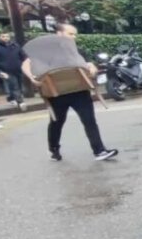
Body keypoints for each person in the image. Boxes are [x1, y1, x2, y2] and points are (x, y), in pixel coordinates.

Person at [22, 24, 117, 161]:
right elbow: (26, 63)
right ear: (59, 34)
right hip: (56, 93)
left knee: (89, 121)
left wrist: (92, 69)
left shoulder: (77, 50)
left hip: (79, 90)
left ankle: (99, 151)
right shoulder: (46, 51)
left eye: (74, 34)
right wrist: (32, 77)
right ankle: (54, 149)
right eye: (70, 34)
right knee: (57, 123)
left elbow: (89, 64)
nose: (74, 37)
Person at [0, 32, 28, 111]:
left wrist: (24, 63)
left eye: (7, 36)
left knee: (20, 84)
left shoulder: (15, 45)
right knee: (14, 85)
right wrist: (0, 67)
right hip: (6, 70)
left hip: (18, 68)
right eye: (3, 36)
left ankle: (11, 98)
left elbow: (23, 55)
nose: (6, 38)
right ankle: (20, 101)